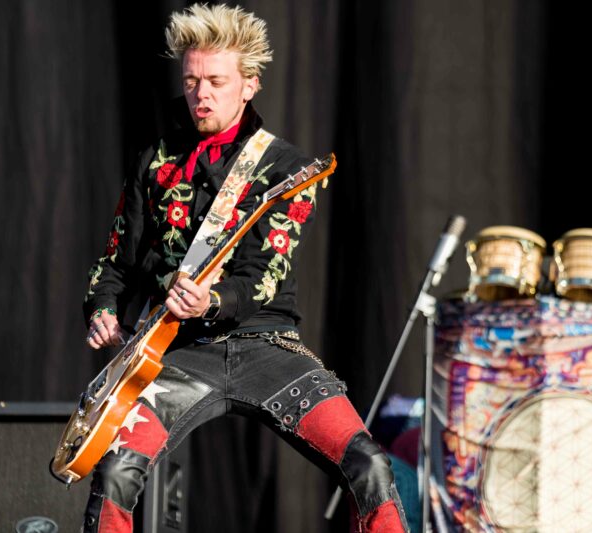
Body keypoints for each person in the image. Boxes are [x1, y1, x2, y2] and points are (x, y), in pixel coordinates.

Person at [81, 4, 410, 532]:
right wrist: (102, 310)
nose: (201, 95)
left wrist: (214, 301)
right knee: (115, 470)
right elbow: (116, 261)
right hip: (179, 350)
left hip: (267, 346)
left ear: (249, 85)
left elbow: (265, 273)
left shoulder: (286, 167)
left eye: (216, 81)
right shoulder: (154, 160)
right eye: (192, 81)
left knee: (368, 464)